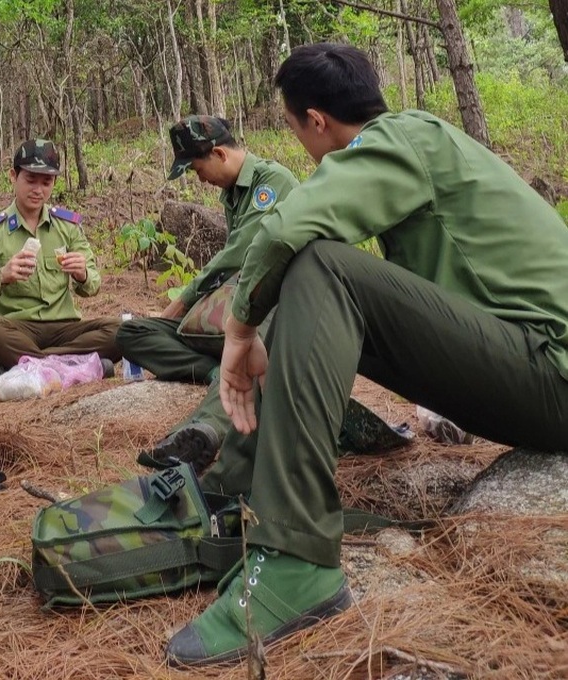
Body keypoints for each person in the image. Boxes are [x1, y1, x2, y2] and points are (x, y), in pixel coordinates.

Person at [166, 43, 568, 667]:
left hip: (553, 370)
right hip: (530, 365)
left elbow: (288, 227)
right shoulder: (419, 149)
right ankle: (238, 482)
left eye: (295, 127)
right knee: (314, 282)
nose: (300, 143)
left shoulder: (405, 136)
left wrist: (239, 333)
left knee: (320, 263)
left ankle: (298, 559)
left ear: (316, 120)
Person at [117, 115, 298, 469]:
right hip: (229, 306)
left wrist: (184, 299)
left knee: (245, 349)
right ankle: (218, 371)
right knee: (132, 333)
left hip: (268, 303)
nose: (199, 179)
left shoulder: (271, 181)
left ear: (218, 153)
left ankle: (203, 431)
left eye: (198, 169)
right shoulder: (231, 193)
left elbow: (241, 253)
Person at [0, 139, 121, 380]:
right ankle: (79, 367)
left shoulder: (68, 226)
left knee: (123, 330)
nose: (38, 190)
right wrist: (2, 276)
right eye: (30, 180)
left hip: (64, 327)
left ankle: (29, 367)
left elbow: (93, 286)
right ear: (13, 177)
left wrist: (83, 274)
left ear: (54, 182)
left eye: (46, 182)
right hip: (16, 328)